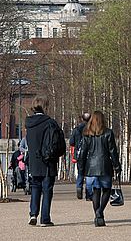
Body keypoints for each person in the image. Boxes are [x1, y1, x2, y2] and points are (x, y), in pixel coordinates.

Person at [77, 110, 121, 227]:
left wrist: (81, 167)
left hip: (91, 166)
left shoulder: (87, 133)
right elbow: (113, 151)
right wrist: (117, 166)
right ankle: (100, 211)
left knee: (96, 191)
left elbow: (83, 153)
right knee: (106, 190)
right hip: (105, 164)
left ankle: (97, 214)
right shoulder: (108, 133)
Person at [25, 95, 63, 226]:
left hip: (34, 161)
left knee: (35, 187)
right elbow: (58, 142)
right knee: (47, 189)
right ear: (45, 106)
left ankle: (33, 214)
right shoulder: (50, 122)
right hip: (48, 160)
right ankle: (45, 218)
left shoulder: (28, 123)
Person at [69, 112, 92, 200]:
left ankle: (79, 187)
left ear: (82, 119)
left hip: (79, 154)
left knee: (80, 173)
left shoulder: (76, 129)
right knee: (89, 174)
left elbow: (71, 142)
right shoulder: (92, 129)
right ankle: (89, 193)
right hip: (90, 154)